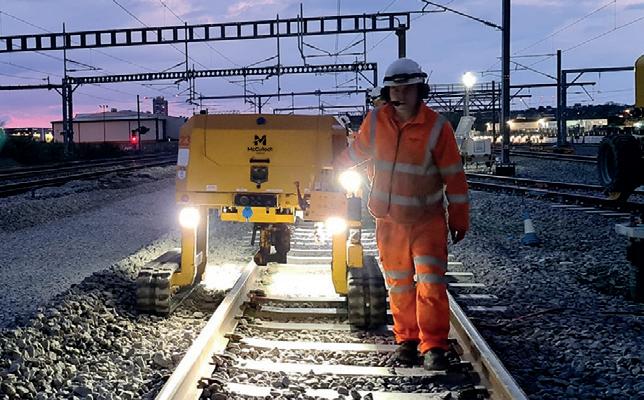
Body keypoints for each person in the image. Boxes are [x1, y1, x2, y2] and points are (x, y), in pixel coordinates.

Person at [334, 58, 469, 370]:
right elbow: (355, 153)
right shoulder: (375, 122)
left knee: (431, 284)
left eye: (407, 89)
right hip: (389, 220)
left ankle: (433, 345)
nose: (400, 95)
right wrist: (326, 169)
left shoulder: (437, 127)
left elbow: (454, 176)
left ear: (420, 90)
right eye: (395, 89)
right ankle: (407, 340)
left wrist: (459, 217)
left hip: (426, 220)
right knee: (399, 284)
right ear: (387, 92)